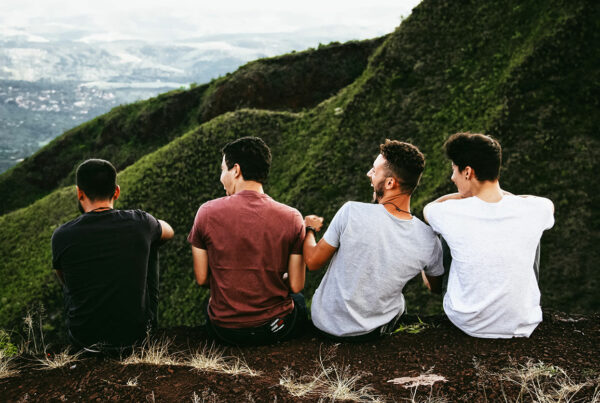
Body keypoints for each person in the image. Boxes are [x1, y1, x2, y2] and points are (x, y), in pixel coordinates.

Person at [304, 139, 444, 341]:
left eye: (374, 170)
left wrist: (309, 229)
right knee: (399, 302)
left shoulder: (351, 212)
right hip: (372, 332)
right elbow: (435, 288)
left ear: (390, 183)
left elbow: (312, 262)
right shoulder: (428, 239)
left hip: (324, 325)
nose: (369, 174)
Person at [423, 132, 555, 338]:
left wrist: (463, 196)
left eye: (454, 170)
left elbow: (429, 209)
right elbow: (539, 202)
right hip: (522, 322)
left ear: (468, 172)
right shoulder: (537, 209)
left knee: (445, 231)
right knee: (530, 230)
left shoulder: (448, 212)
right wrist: (503, 197)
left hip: (467, 321)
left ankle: (440, 289)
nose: (452, 177)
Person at [188, 136, 307, 346]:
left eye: (222, 170)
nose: (221, 177)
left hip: (225, 330)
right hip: (274, 328)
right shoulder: (292, 217)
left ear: (236, 170)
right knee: (299, 301)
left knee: (212, 305)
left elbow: (202, 278)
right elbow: (296, 285)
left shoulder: (206, 213)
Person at [51, 159, 174, 351]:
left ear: (79, 193)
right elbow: (169, 232)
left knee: (72, 278)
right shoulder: (140, 222)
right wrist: (148, 227)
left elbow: (65, 281)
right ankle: (149, 330)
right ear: (116, 191)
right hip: (134, 337)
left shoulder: (61, 235)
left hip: (84, 340)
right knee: (153, 241)